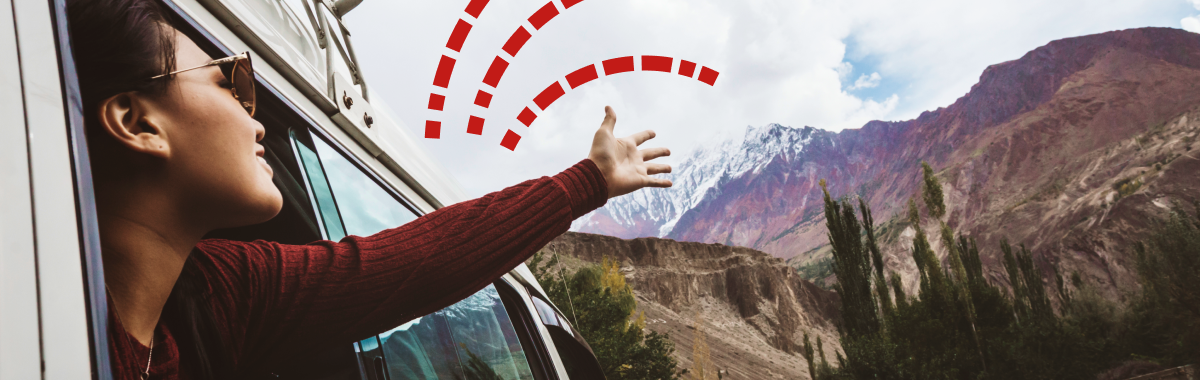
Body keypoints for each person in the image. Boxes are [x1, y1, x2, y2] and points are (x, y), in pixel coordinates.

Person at [66, 0, 673, 379]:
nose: (257, 118)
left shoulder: (220, 291)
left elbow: (417, 261)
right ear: (137, 122)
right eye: (229, 83)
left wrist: (587, 181)